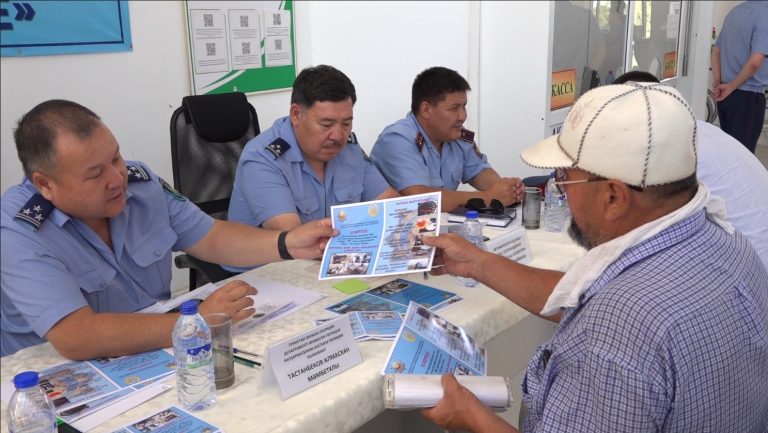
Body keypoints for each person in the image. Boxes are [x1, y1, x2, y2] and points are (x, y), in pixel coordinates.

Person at [420, 83, 768, 432]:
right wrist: (474, 261)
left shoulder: (621, 324)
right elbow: (583, 296)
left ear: (614, 196)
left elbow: (616, 318)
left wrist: (468, 414)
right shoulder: (727, 243)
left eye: (564, 179)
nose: (559, 192)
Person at [1, 100, 336, 360]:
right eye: (95, 174)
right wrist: (198, 321)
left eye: (116, 158)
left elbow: (213, 237)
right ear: (44, 184)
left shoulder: (140, 184)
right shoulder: (18, 229)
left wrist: (287, 243)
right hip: (54, 378)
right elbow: (77, 335)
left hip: (155, 348)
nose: (117, 179)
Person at [613, 70, 768, 270]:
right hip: (752, 254)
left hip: (753, 268)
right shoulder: (698, 128)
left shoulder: (668, 148)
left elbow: (640, 228)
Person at [228, 65, 398, 237]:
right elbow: (295, 241)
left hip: (339, 254)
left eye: (346, 123)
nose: (338, 136)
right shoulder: (262, 160)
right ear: (296, 115)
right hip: (274, 262)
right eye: (326, 124)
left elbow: (392, 207)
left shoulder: (349, 148)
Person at [370, 66, 523, 212]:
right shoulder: (397, 140)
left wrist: (507, 189)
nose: (463, 116)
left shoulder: (458, 137)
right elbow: (420, 200)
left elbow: (480, 171)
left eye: (464, 107)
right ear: (426, 110)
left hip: (441, 228)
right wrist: (487, 197)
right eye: (454, 108)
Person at [710, 0, 768, 153]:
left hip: (725, 97)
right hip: (748, 98)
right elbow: (756, 61)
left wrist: (718, 82)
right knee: (742, 157)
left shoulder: (735, 12)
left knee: (728, 153)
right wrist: (731, 86)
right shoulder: (765, 15)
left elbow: (716, 51)